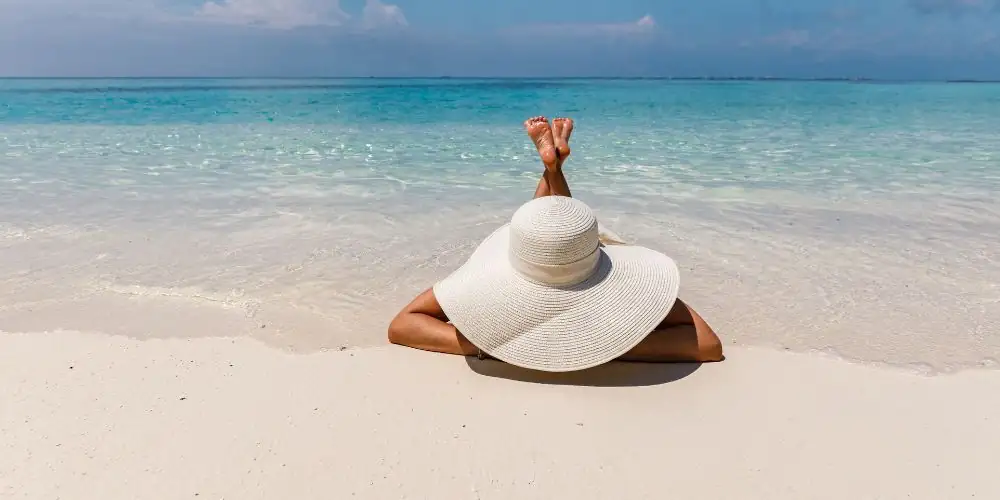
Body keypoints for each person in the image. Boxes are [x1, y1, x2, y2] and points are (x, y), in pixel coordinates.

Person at [388, 116, 723, 372]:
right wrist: (613, 345)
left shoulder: (488, 279)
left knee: (550, 233)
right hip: (587, 271)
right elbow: (707, 345)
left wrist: (488, 345)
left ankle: (552, 166)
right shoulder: (595, 268)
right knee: (558, 232)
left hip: (549, 270)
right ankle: (553, 166)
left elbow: (403, 325)